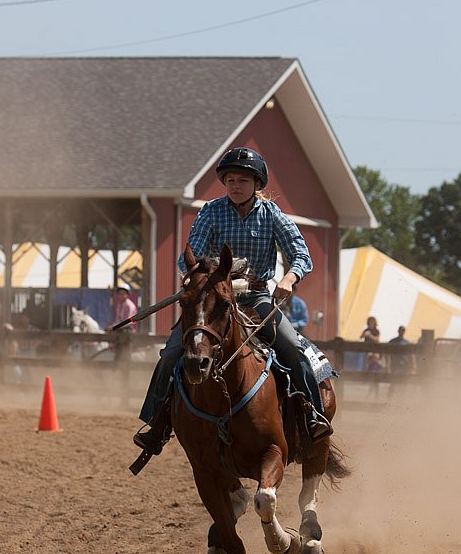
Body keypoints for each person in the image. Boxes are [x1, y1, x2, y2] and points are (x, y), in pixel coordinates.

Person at [133, 146, 332, 459]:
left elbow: (301, 254)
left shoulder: (272, 215)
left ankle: (312, 417)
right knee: (172, 353)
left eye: (242, 180)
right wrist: (200, 275)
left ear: (257, 184)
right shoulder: (211, 211)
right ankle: (157, 425)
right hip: (215, 299)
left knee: (294, 350)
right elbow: (189, 256)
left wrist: (289, 278)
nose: (235, 185)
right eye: (230, 180)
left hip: (257, 297)